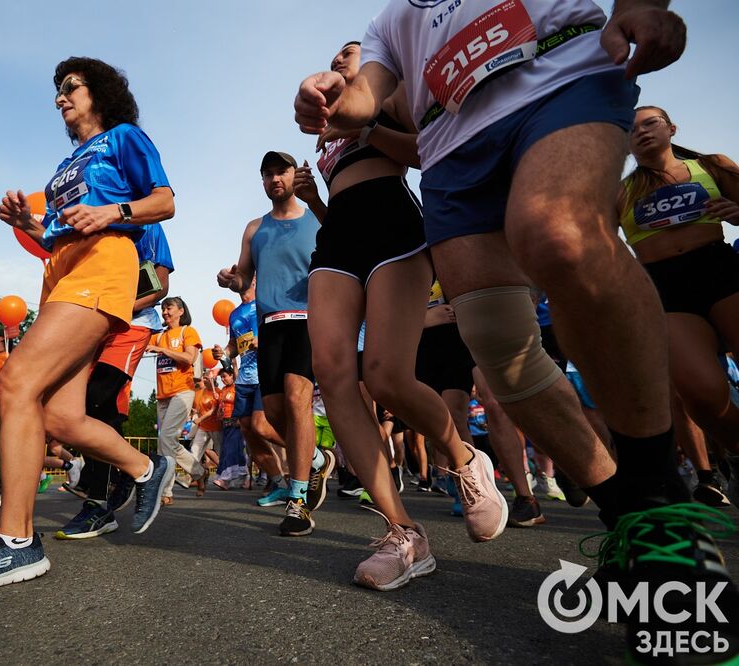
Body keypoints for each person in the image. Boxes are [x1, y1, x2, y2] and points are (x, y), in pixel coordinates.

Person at [295, 1, 737, 656]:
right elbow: (366, 98)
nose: (336, 63)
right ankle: (625, 510)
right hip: (452, 142)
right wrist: (333, 97)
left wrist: (641, 7)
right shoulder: (391, 23)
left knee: (557, 236)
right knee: (497, 343)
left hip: (558, 72)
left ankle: (660, 509)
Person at [0, 56, 176, 594]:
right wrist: (30, 225)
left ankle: (15, 542)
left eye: (71, 87)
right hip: (61, 269)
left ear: (100, 93)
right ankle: (144, 468)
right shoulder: (69, 161)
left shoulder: (124, 137)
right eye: (57, 91)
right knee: (59, 417)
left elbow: (165, 201)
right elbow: (59, 234)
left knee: (16, 382)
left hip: (105, 261)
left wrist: (112, 214)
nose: (60, 97)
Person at [295, 40, 505, 586]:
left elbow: (425, 152)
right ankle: (402, 531)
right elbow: (337, 197)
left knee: (385, 375)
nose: (339, 59)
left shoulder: (392, 92)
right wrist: (312, 196)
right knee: (333, 373)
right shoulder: (327, 124)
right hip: (338, 235)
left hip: (393, 223)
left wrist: (364, 130)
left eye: (349, 51)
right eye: (334, 55)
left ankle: (464, 459)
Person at [616, 106, 739, 484]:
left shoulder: (712, 165)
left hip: (721, 272)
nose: (642, 131)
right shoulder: (622, 191)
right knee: (699, 395)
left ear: (671, 127)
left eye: (650, 122)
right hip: (664, 287)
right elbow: (600, 242)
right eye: (632, 128)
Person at [217, 151, 336, 537]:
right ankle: (316, 458)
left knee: (296, 398)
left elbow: (342, 246)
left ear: (293, 175)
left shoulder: (316, 217)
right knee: (272, 412)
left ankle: (298, 501)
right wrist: (229, 279)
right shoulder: (255, 228)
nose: (274, 179)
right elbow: (243, 279)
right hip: (269, 326)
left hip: (307, 319)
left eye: (280, 171)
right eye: (267, 174)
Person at [211, 280, 287, 504]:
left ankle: (311, 453)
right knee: (249, 431)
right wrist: (223, 354)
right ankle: (280, 484)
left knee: (261, 426)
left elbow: (283, 331)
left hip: (267, 372)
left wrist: (264, 339)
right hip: (244, 379)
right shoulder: (235, 314)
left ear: (254, 280)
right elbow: (234, 345)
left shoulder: (267, 302)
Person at [148, 296, 207, 503]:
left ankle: (166, 492)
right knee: (164, 444)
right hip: (163, 395)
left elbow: (189, 358)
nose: (164, 312)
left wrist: (162, 350)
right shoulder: (159, 335)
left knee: (166, 440)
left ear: (181, 311)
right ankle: (197, 473)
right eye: (163, 309)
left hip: (183, 391)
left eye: (169, 308)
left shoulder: (187, 331)